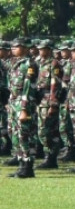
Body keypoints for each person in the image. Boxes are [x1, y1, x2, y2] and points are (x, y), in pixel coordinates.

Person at [6, 37, 39, 178]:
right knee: (14, 134)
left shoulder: (29, 64)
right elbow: (12, 85)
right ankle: (21, 163)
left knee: (25, 134)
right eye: (12, 46)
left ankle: (28, 166)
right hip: (14, 103)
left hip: (25, 104)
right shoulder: (15, 63)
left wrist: (24, 109)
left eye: (17, 46)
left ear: (25, 48)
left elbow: (28, 87)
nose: (13, 48)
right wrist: (9, 102)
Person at [33, 39, 65, 170]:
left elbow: (55, 85)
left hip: (49, 100)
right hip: (39, 99)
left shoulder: (54, 64)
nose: (41, 50)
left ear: (49, 49)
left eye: (43, 48)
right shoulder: (37, 62)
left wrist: (53, 103)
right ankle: (49, 156)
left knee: (47, 130)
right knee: (41, 130)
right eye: (39, 48)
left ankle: (51, 157)